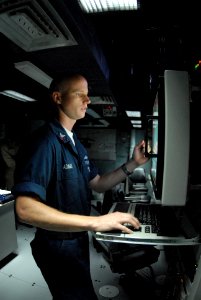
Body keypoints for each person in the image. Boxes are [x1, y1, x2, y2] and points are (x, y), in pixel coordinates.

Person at [12, 73, 149, 300]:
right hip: (57, 246)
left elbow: (98, 184)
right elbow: (25, 209)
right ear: (58, 97)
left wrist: (133, 163)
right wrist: (96, 222)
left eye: (88, 95)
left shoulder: (74, 143)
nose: (88, 101)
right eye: (80, 95)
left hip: (75, 240)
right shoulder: (44, 143)